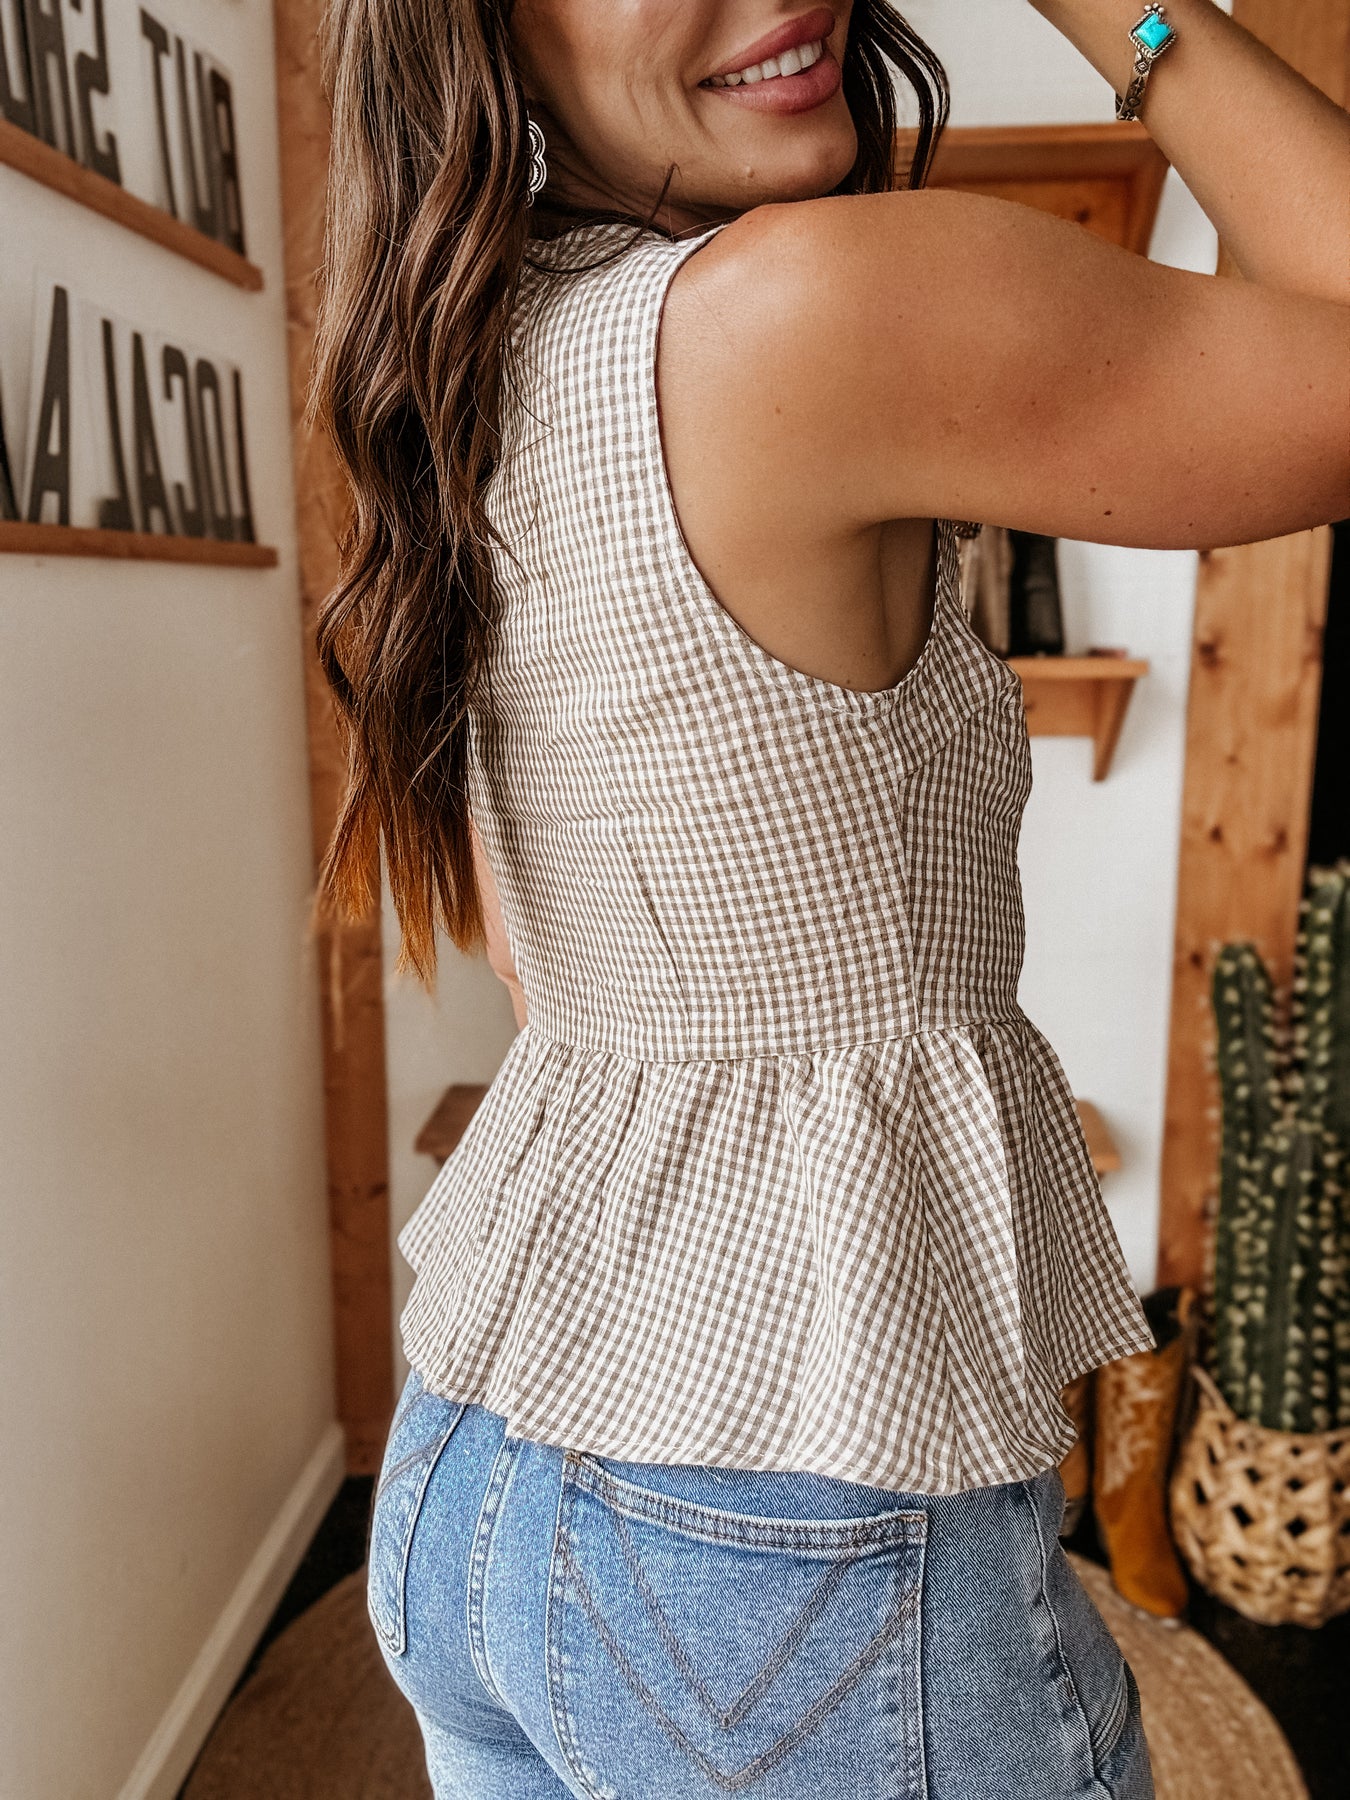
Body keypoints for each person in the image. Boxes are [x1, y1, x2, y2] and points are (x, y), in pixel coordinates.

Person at [310, 2, 1348, 1794]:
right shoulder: (804, 304)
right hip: (773, 1541)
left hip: (479, 1462)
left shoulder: (472, 349)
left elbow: (539, 960)